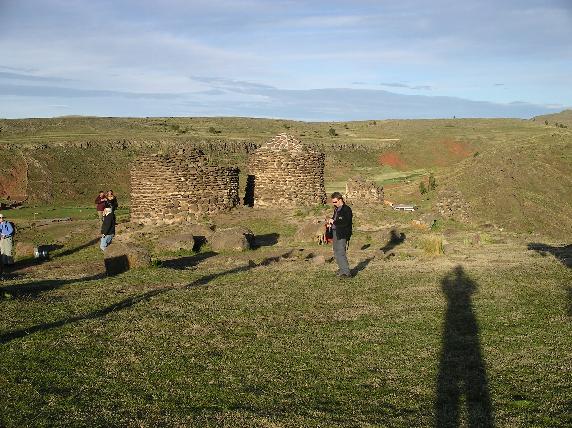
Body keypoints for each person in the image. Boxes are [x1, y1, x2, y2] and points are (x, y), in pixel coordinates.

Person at [327, 192, 353, 278]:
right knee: (336, 252)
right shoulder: (336, 209)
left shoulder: (346, 209)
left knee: (341, 252)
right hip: (335, 233)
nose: (333, 204)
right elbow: (336, 220)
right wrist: (330, 224)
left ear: (340, 200)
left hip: (342, 233)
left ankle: (346, 272)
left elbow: (345, 222)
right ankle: (342, 270)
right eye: (333, 202)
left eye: (335, 202)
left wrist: (333, 221)